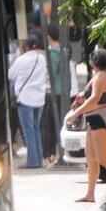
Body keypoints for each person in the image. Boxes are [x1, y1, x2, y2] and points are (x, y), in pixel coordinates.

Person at [67, 48, 106, 202]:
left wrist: (76, 113)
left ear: (95, 62)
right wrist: (81, 98)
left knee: (104, 159)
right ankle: (90, 194)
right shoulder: (105, 74)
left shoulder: (101, 76)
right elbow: (94, 96)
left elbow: (94, 99)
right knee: (92, 159)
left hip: (102, 119)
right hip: (97, 118)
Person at [8, 31, 49, 169]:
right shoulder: (42, 59)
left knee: (28, 131)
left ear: (26, 46)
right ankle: (39, 160)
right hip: (40, 99)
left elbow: (10, 75)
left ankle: (32, 162)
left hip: (25, 99)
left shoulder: (21, 59)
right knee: (36, 129)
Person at [41, 25, 74, 165]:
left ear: (48, 36)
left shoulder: (50, 53)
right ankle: (62, 152)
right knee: (60, 123)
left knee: (47, 125)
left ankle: (50, 154)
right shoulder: (65, 51)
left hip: (51, 93)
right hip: (64, 92)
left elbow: (50, 74)